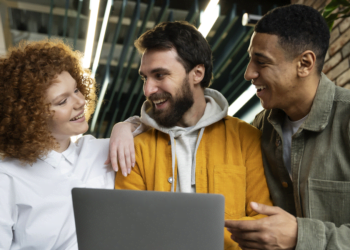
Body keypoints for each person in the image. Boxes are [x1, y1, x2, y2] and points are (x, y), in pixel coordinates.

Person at [114, 21, 272, 249]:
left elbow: (262, 223)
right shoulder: (136, 148)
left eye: (160, 75)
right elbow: (128, 230)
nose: (148, 90)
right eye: (144, 78)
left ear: (197, 73)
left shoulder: (245, 138)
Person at [224, 4, 350, 250]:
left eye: (261, 62)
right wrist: (131, 126)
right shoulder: (259, 128)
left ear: (304, 63)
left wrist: (300, 236)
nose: (248, 73)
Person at [0, 39, 131, 249]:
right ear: (30, 116)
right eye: (62, 101)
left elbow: (158, 131)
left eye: (77, 90)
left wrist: (125, 126)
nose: (80, 102)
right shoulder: (7, 178)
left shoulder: (103, 150)